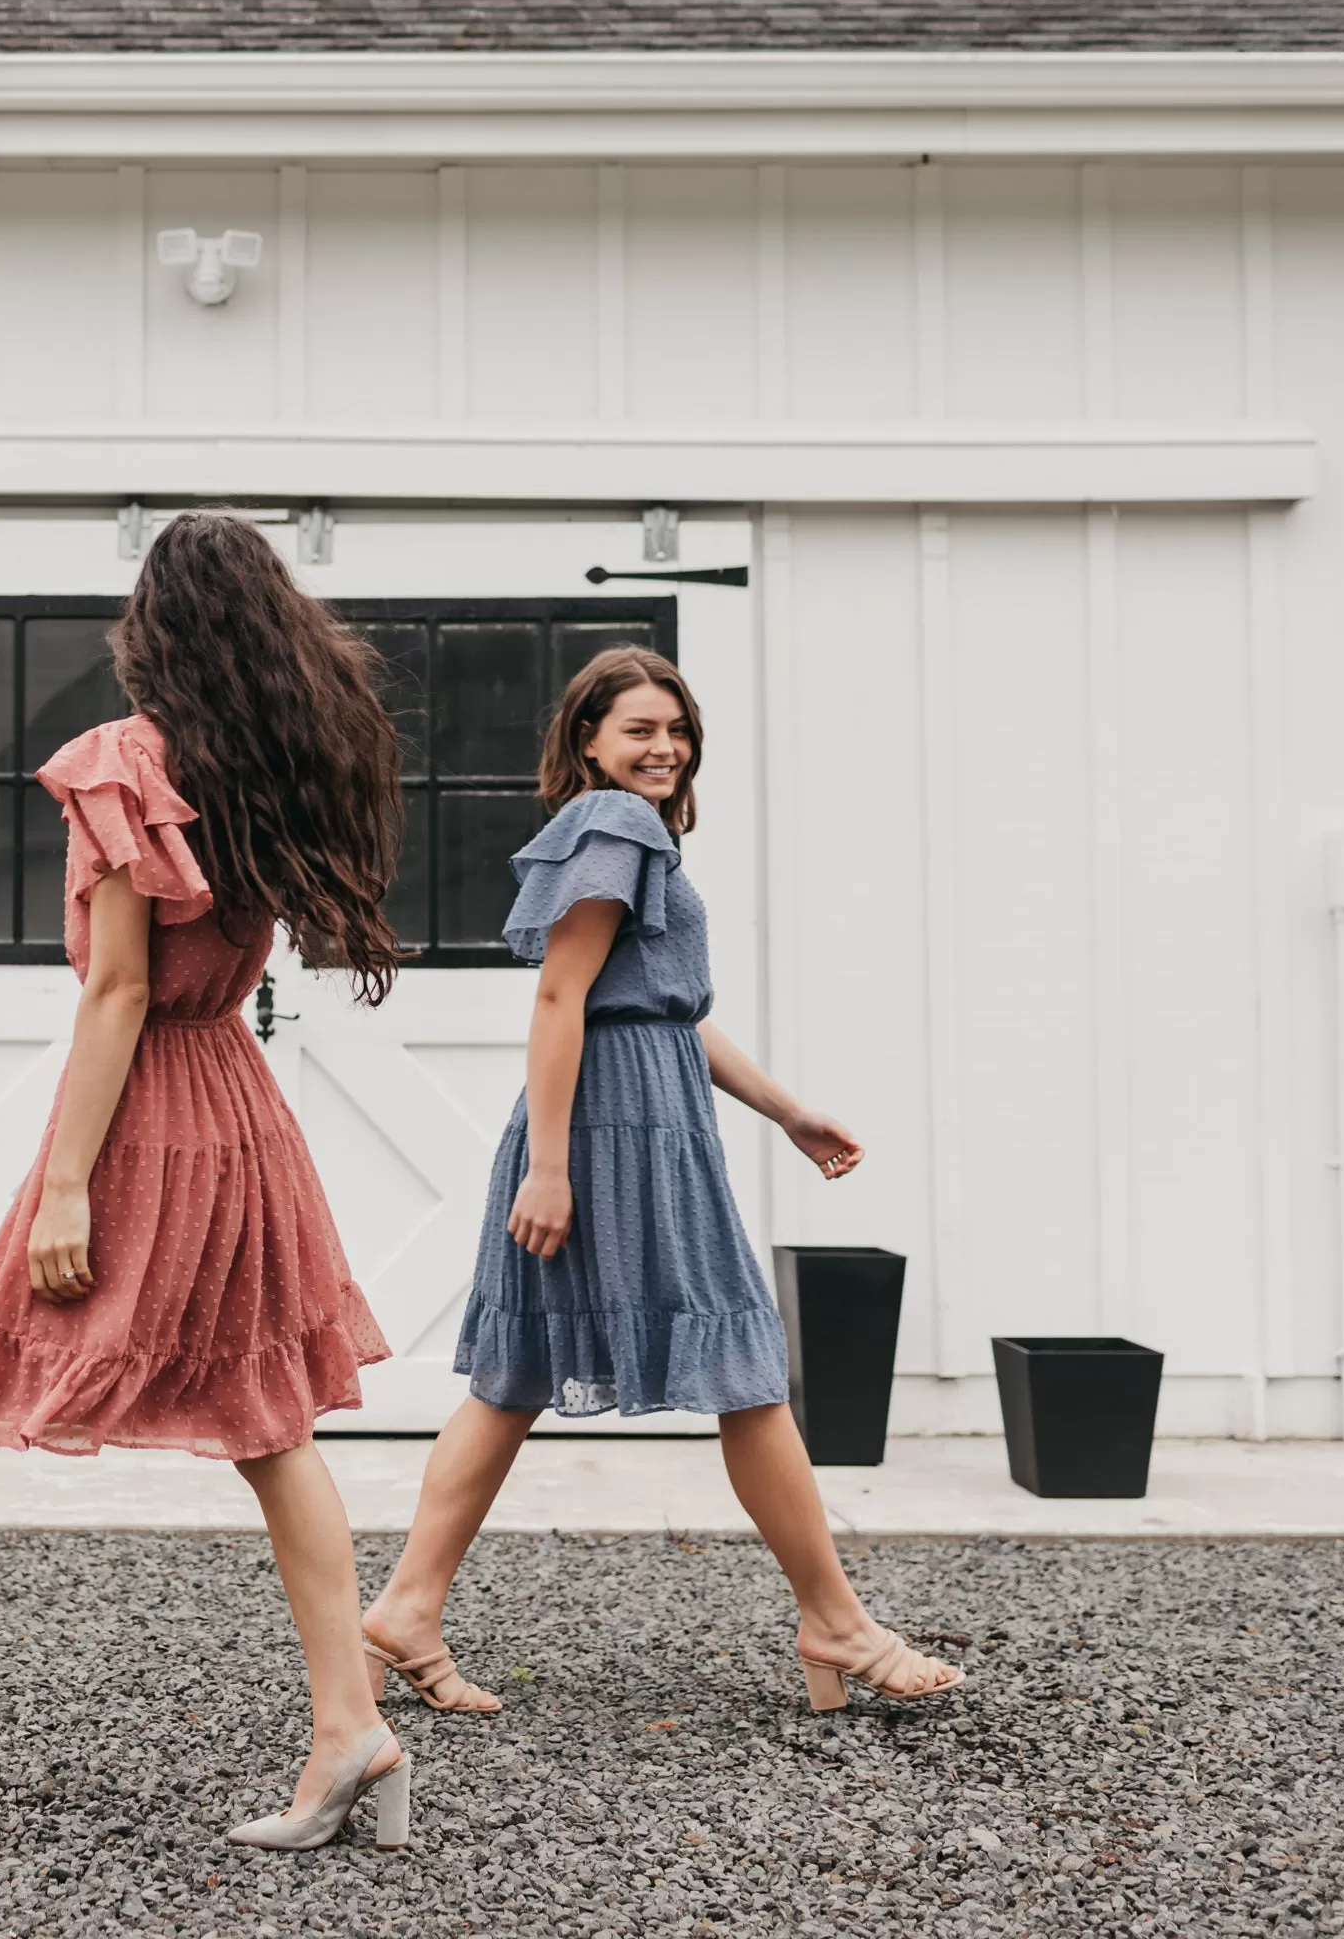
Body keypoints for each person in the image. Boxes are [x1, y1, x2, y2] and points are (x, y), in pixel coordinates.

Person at [0, 512, 418, 1853]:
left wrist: (67, 1186)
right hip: (240, 1104)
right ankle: (354, 1730)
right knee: (272, 1427)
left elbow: (120, 988)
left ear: (155, 627)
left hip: (151, 1117)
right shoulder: (278, 764)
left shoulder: (129, 762)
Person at [361, 646, 964, 1718]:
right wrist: (551, 1167)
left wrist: (785, 1108)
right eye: (639, 728)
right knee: (742, 1368)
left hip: (640, 1106)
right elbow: (561, 998)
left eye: (676, 729)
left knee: (518, 1373)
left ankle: (407, 1607)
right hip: (609, 1130)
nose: (664, 747)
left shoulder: (627, 835)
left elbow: (660, 1006)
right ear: (586, 738)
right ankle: (835, 1621)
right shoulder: (619, 825)